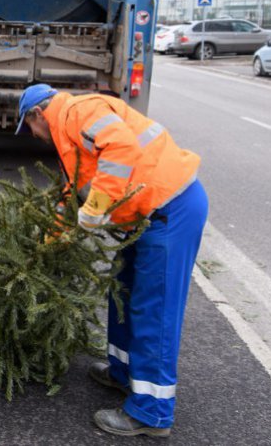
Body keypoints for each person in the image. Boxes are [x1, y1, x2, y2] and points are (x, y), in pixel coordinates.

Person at [16, 83, 208, 438]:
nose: (33, 136)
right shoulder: (68, 137)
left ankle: (151, 413)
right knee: (121, 291)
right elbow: (70, 195)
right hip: (147, 219)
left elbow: (121, 149)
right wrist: (49, 242)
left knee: (154, 309)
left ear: (37, 114)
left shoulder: (79, 112)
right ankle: (123, 373)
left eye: (29, 127)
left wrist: (96, 208)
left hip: (170, 210)